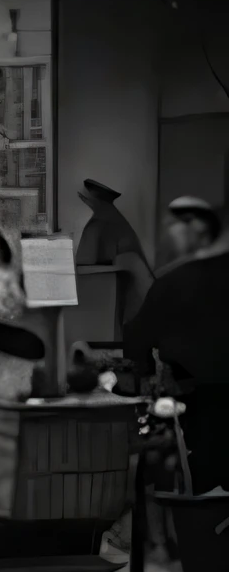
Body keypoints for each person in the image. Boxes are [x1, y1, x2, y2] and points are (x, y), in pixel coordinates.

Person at [125, 197, 229, 493]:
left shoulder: (172, 282)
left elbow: (137, 340)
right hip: (206, 397)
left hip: (193, 405)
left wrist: (144, 378)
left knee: (202, 488)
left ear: (197, 229)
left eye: (175, 227)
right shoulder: (175, 278)